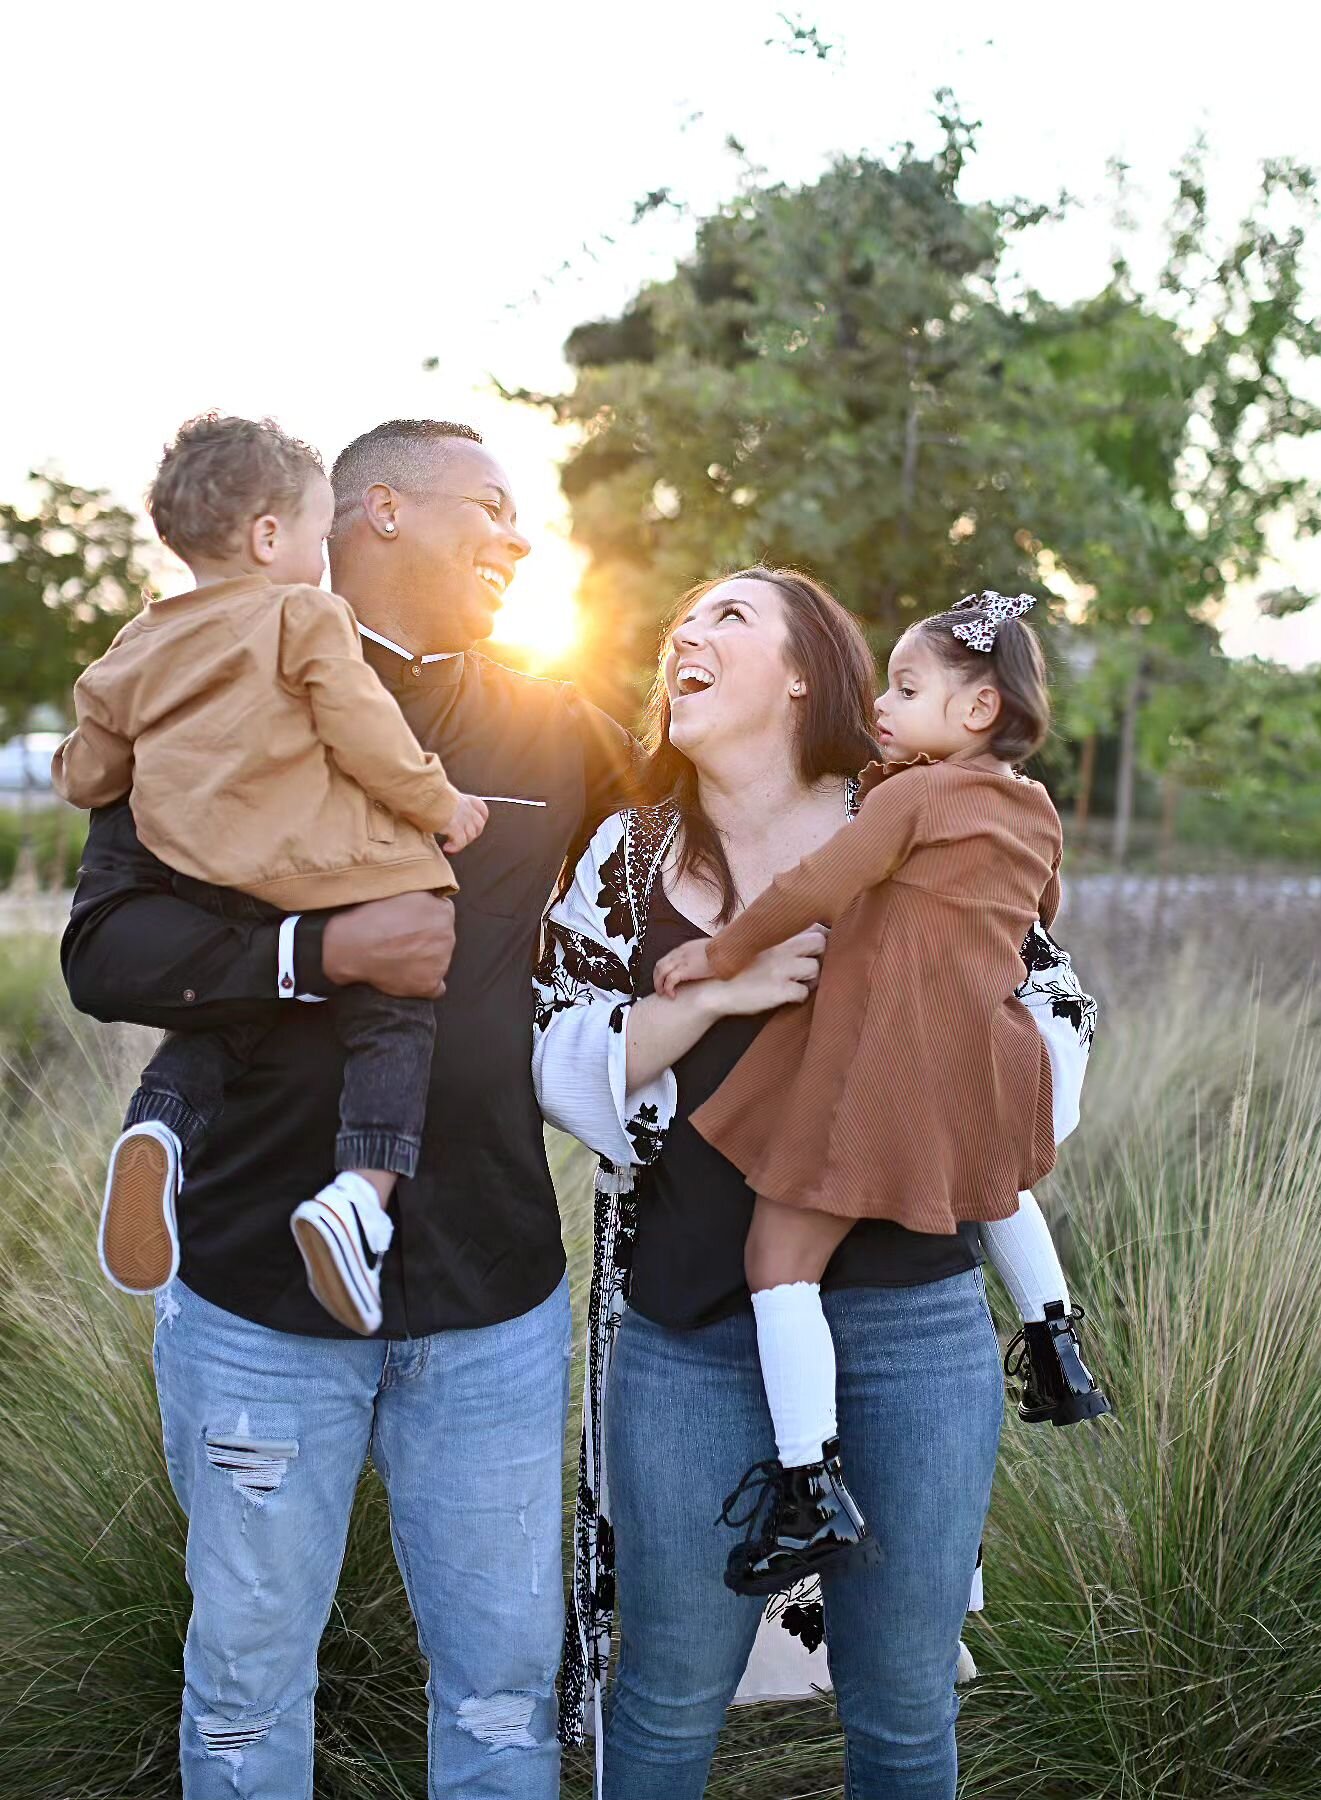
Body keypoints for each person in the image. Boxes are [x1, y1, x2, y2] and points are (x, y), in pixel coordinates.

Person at [61, 418, 635, 1799]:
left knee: (504, 1695)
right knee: (249, 1695)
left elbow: (722, 823)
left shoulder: (560, 725)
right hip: (257, 1298)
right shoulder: (211, 679)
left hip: (494, 1302)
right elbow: (103, 950)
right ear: (377, 509)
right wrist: (314, 957)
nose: (519, 540)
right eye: (491, 509)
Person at [532, 567, 1100, 1798]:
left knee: (901, 1711)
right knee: (668, 1695)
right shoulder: (627, 859)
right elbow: (555, 1050)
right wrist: (721, 994)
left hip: (913, 1320)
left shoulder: (915, 802)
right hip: (688, 1324)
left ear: (804, 671)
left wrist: (948, 1072)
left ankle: (1052, 1335)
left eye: (729, 615)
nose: (688, 630)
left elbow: (1049, 995)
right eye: (680, 619)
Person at [654, 589, 1111, 1597]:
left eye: (907, 690)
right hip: (981, 1060)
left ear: (978, 711)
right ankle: (1053, 1343)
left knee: (778, 1259)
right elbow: (1044, 911)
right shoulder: (1034, 811)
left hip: (879, 1065)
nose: (886, 709)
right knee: (995, 1188)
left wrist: (722, 952)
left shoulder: (912, 795)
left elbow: (817, 886)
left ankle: (808, 1480)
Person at [55, 414, 492, 1335]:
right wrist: (437, 803)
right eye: (311, 529)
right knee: (395, 1020)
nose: (322, 554)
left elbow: (89, 772)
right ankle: (359, 1196)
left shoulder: (132, 648)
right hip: (330, 868)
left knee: (230, 1015)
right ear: (266, 538)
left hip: (208, 882)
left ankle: (161, 1129)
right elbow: (362, 728)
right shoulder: (304, 614)